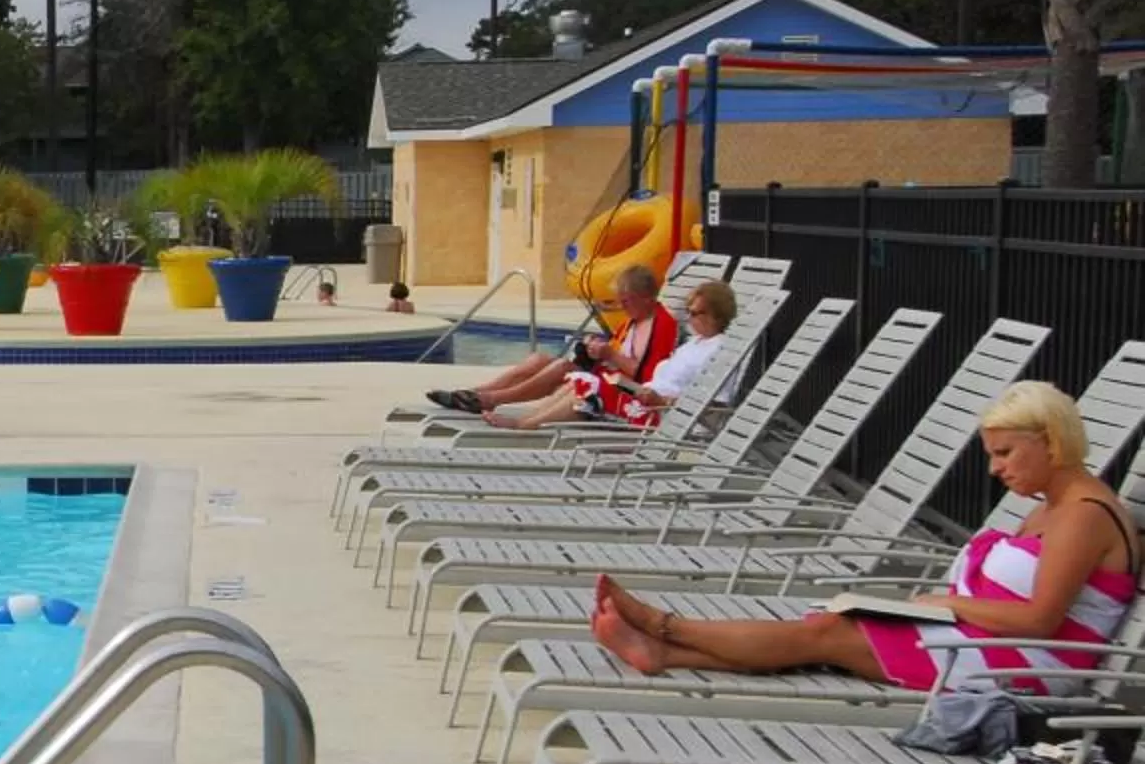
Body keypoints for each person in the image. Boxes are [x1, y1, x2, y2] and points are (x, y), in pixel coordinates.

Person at [589, 380, 1139, 691]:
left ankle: (664, 626)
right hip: (986, 645)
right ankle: (664, 652)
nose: (996, 469)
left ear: (1050, 441)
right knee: (827, 628)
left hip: (1024, 667)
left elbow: (1040, 620)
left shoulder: (1083, 516)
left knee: (828, 635)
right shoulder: (1052, 506)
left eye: (1005, 453)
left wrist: (946, 603)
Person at [485, 280, 735, 431]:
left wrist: (664, 401)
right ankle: (527, 420)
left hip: (661, 414)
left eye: (696, 313)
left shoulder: (721, 350)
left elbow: (717, 405)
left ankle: (524, 426)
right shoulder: (693, 343)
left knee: (589, 389)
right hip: (646, 399)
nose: (689, 318)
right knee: (581, 380)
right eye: (688, 312)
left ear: (717, 314)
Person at [426, 265, 672, 416]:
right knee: (538, 359)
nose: (622, 306)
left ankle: (491, 400)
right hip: (605, 373)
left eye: (627, 301)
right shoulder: (634, 321)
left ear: (646, 297)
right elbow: (616, 352)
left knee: (561, 367)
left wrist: (610, 354)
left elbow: (649, 375)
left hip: (622, 389)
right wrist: (596, 348)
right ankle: (474, 393)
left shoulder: (661, 325)